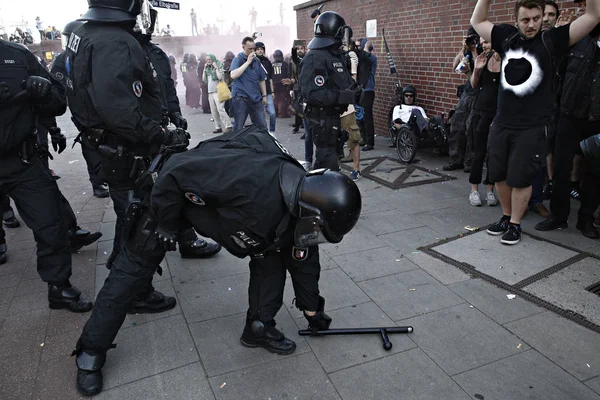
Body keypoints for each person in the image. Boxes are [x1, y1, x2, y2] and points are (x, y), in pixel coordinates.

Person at [73, 125, 362, 396]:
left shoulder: (299, 201)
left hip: (212, 205)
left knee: (271, 255)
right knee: (133, 270)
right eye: (317, 231)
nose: (314, 238)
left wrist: (313, 311)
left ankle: (258, 327)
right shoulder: (248, 181)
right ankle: (90, 352)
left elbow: (303, 259)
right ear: (310, 211)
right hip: (166, 197)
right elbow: (175, 172)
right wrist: (165, 222)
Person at [65, 0, 191, 320]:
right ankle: (133, 290)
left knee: (129, 213)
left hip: (110, 146)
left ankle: (124, 268)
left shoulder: (85, 32)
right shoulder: (115, 41)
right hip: (128, 149)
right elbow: (122, 113)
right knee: (138, 220)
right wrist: (163, 134)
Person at [470, 0, 600, 245]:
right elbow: (477, 22)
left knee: (521, 178)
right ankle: (506, 218)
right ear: (516, 19)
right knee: (499, 175)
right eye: (525, 20)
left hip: (532, 127)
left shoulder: (551, 41)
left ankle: (516, 225)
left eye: (536, 19)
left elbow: (593, 16)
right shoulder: (507, 37)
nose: (531, 25)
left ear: (542, 18)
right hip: (501, 122)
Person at [0, 39, 93, 313]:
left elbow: (57, 102)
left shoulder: (16, 55)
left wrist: (42, 92)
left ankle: (59, 287)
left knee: (50, 224)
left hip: (22, 161)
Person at [135, 6, 222, 258]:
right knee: (139, 199)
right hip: (140, 134)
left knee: (178, 183)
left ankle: (186, 238)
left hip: (165, 132)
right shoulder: (123, 52)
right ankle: (135, 261)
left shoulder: (156, 54)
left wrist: (176, 116)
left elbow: (168, 88)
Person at [53, 20, 109, 199]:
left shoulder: (94, 54)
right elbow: (57, 83)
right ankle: (98, 182)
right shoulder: (63, 59)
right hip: (82, 111)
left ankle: (108, 177)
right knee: (91, 146)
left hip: (101, 108)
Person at [300, 11, 362, 171]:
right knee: (326, 164)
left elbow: (345, 82)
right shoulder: (314, 58)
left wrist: (353, 92)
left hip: (334, 118)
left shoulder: (335, 55)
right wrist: (342, 96)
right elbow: (313, 94)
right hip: (322, 120)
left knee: (331, 161)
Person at [230, 36, 268, 131]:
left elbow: (261, 78)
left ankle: (262, 143)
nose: (252, 51)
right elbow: (233, 75)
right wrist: (247, 62)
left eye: (253, 49)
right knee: (238, 126)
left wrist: (264, 95)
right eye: (249, 49)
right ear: (243, 47)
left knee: (262, 125)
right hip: (241, 97)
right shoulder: (238, 59)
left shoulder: (257, 61)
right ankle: (236, 144)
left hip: (255, 98)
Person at [202, 54, 233, 133]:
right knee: (214, 111)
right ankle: (218, 126)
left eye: (209, 59)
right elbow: (203, 79)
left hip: (218, 92)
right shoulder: (208, 69)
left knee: (220, 109)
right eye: (207, 60)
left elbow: (220, 77)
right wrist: (204, 69)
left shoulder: (219, 66)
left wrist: (215, 67)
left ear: (213, 59)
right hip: (210, 92)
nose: (208, 61)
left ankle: (228, 126)